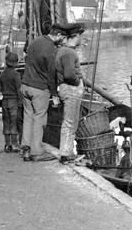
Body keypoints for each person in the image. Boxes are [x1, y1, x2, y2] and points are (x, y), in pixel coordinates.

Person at [20, 23, 65, 162]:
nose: (62, 40)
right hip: (39, 88)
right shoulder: (51, 49)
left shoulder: (35, 42)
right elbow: (51, 75)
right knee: (40, 119)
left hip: (25, 85)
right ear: (57, 35)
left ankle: (26, 149)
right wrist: (54, 95)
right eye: (62, 37)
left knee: (28, 117)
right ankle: (37, 152)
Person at [55, 23, 86, 164]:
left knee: (70, 122)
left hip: (66, 88)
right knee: (69, 122)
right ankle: (65, 154)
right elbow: (69, 75)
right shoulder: (69, 52)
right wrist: (77, 82)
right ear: (76, 36)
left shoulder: (62, 50)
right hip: (71, 89)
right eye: (80, 35)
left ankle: (68, 152)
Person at [0, 50, 23, 152]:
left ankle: (7, 144)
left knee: (6, 122)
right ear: (16, 63)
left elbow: (0, 87)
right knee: (14, 122)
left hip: (5, 100)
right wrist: (20, 102)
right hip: (13, 101)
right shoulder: (16, 74)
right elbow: (19, 89)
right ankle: (14, 144)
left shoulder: (2, 74)